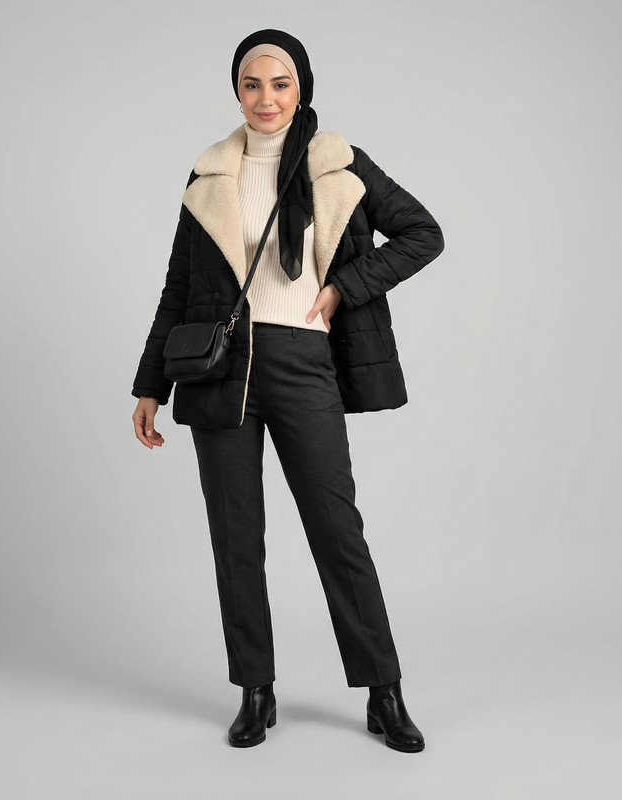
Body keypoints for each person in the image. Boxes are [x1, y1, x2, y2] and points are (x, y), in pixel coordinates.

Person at [131, 29, 444, 751]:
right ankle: (255, 689)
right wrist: (150, 385)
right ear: (236, 91)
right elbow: (179, 287)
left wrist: (342, 288)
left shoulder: (338, 161)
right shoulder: (210, 171)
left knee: (337, 531)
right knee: (235, 538)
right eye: (252, 84)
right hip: (220, 371)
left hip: (303, 361)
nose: (266, 98)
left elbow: (421, 233)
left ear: (301, 88)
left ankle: (384, 691)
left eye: (280, 83)